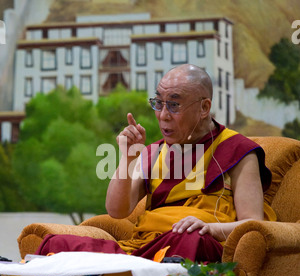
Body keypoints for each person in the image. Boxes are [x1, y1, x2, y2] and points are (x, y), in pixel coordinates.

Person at [36, 64, 276, 263]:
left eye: (174, 105)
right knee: (57, 244)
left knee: (189, 239)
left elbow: (252, 223)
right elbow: (117, 211)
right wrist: (129, 157)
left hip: (195, 244)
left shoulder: (237, 150)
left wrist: (209, 228)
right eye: (158, 103)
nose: (163, 115)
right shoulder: (153, 153)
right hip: (146, 249)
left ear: (204, 107)